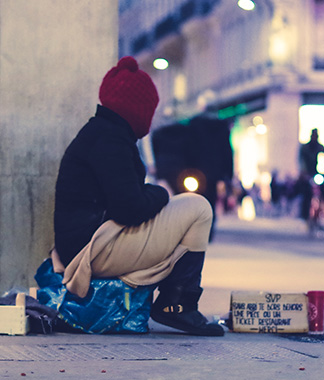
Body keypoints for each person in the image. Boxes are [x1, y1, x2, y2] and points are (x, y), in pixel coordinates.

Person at [52, 56, 224, 336]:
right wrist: (159, 193)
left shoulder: (104, 133)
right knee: (198, 207)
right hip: (91, 250)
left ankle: (176, 301)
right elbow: (129, 208)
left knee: (187, 204)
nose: (151, 116)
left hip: (91, 242)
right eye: (149, 109)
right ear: (137, 108)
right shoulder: (109, 140)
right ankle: (177, 305)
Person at [297, 128, 324, 221]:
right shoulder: (305, 147)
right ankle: (304, 214)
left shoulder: (320, 147)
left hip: (316, 172)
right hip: (306, 172)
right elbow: (301, 160)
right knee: (306, 193)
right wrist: (303, 171)